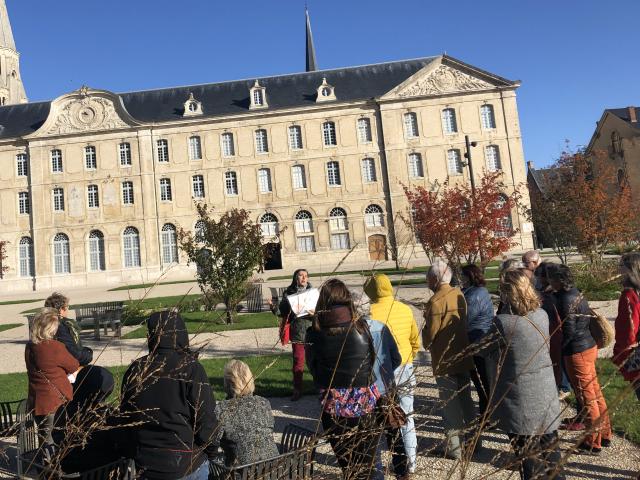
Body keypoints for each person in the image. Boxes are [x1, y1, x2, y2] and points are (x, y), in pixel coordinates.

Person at [481, 269, 564, 480]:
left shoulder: (504, 323)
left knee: (529, 459)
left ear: (507, 292)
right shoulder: (542, 315)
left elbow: (482, 349)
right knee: (551, 451)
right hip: (545, 391)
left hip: (521, 399)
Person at [120, 310, 217, 480]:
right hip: (183, 463)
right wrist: (212, 449)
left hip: (149, 461)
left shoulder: (136, 369)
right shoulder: (190, 368)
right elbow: (206, 420)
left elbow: (125, 418)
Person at [305, 279, 379, 480]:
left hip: (333, 404)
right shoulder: (361, 327)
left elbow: (312, 368)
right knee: (366, 466)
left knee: (348, 466)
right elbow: (371, 359)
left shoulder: (314, 333)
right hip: (364, 402)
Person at [550, 264, 612, 454]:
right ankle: (605, 433)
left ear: (560, 280)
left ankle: (593, 442)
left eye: (552, 278)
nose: (550, 281)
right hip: (588, 346)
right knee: (595, 392)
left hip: (577, 351)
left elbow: (568, 330)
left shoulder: (566, 299)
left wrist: (560, 351)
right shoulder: (576, 293)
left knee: (587, 398)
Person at [363, 274, 420, 474]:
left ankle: (376, 466)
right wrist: (409, 358)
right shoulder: (404, 309)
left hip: (380, 371)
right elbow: (415, 340)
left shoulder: (369, 312)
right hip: (404, 366)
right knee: (406, 414)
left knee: (380, 419)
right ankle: (410, 461)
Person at [423, 259, 477, 459]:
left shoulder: (436, 301)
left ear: (435, 279)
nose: (427, 281)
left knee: (450, 404)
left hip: (445, 357)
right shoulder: (458, 293)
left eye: (428, 277)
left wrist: (425, 335)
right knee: (466, 399)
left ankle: (455, 448)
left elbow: (431, 333)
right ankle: (474, 441)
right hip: (462, 352)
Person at [357, 291, 408, 480]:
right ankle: (402, 471)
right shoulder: (381, 327)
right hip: (385, 386)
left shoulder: (353, 333)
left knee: (369, 435)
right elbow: (396, 358)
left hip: (366, 390)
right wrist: (385, 372)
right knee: (394, 432)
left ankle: (375, 473)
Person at [44, 292, 115, 405]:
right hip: (67, 374)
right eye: (67, 308)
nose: (67, 310)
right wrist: (88, 353)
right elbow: (73, 354)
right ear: (61, 309)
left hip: (55, 376)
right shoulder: (60, 327)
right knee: (100, 380)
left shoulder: (46, 325)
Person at [25, 307, 81, 445]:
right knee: (54, 440)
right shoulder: (55, 346)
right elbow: (74, 365)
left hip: (36, 401)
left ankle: (43, 464)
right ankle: (53, 465)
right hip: (55, 401)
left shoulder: (30, 347)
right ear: (51, 328)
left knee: (44, 438)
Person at [213, 360, 279, 467]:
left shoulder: (222, 409)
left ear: (228, 383)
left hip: (242, 473)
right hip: (274, 469)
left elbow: (212, 444)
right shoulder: (263, 402)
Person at [460, 264, 494, 419]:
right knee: (481, 379)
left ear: (469, 276)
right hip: (476, 339)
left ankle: (488, 414)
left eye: (463, 275)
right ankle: (487, 412)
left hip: (477, 340)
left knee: (482, 380)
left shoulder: (475, 295)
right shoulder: (473, 291)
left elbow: (466, 319)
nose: (460, 278)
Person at [276, 269, 314, 401]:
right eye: (300, 275)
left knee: (317, 361)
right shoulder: (289, 293)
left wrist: (316, 313)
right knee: (298, 361)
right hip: (298, 331)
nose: (304, 278)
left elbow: (323, 312)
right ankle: (297, 389)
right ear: (295, 278)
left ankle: (322, 387)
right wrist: (273, 307)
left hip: (313, 330)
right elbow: (281, 312)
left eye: (306, 276)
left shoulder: (314, 293)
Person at [612, 252, 640, 401]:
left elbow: (629, 329)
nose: (618, 268)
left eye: (621, 265)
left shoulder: (629, 296)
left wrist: (622, 352)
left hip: (634, 353)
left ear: (630, 269)